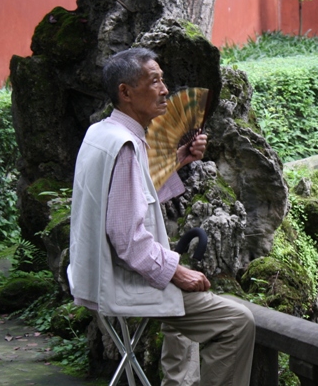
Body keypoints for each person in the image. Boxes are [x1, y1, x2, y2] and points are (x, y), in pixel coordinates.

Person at [68, 48, 255, 386]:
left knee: (183, 314)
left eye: (163, 80)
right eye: (154, 81)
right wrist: (176, 271)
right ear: (126, 92)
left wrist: (179, 159)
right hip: (122, 282)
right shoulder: (126, 145)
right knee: (237, 321)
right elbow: (127, 238)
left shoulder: (101, 134)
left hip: (91, 277)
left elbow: (126, 195)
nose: (165, 89)